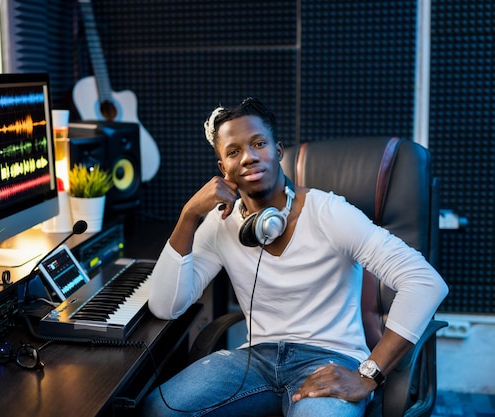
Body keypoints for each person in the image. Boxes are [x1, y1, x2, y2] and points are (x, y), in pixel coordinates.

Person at [141, 97, 449, 417]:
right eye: (233, 151)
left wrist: (368, 374)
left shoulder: (328, 212)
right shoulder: (219, 224)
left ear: (277, 150)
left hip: (330, 359)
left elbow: (425, 281)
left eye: (259, 143)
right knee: (157, 411)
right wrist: (188, 216)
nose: (248, 157)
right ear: (222, 168)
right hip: (254, 361)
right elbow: (166, 306)